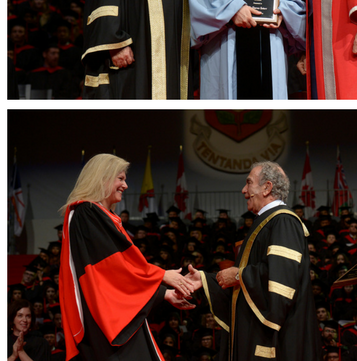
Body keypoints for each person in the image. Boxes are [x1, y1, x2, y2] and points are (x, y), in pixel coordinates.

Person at [58, 154, 198, 360]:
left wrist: (164, 294)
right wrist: (161, 276)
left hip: (116, 316)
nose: (125, 185)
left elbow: (115, 275)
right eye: (120, 178)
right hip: (106, 322)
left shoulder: (93, 214)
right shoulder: (87, 212)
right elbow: (112, 267)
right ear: (102, 178)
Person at [190, 161, 320, 361]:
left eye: (248, 183)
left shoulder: (283, 221)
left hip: (277, 340)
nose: (243, 190)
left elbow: (281, 280)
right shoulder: (268, 221)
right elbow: (250, 281)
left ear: (267, 187)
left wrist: (238, 274)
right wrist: (206, 279)